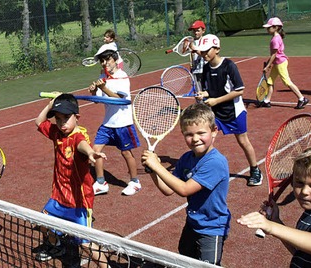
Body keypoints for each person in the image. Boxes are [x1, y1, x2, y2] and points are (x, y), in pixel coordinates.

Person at [141, 103, 230, 265]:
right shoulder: (186, 158)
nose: (195, 139)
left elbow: (184, 189)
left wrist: (157, 166)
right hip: (193, 223)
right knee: (185, 260)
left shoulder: (216, 162)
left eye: (201, 133)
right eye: (189, 134)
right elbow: (168, 189)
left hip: (212, 228)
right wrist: (153, 171)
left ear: (214, 131)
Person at [237, 144, 311, 267]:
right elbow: (301, 252)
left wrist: (271, 227)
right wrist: (276, 221)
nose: (304, 191)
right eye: (299, 183)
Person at [34, 93, 108, 267]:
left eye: (66, 118)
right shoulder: (57, 133)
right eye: (58, 118)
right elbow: (39, 122)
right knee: (42, 223)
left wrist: (90, 153)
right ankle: (57, 246)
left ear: (77, 117)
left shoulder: (78, 137)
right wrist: (50, 105)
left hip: (79, 203)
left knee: (86, 245)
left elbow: (82, 145)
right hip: (58, 198)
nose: (62, 123)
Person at [194, 34, 263, 187]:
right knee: (206, 139)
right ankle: (203, 169)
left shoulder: (229, 65)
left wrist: (215, 100)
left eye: (207, 51)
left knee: (243, 141)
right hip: (216, 113)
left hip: (234, 112)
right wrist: (204, 94)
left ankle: (255, 169)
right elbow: (210, 90)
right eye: (202, 51)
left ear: (217, 48)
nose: (204, 54)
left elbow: (239, 90)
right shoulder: (205, 68)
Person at [88, 48, 142, 196]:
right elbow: (98, 101)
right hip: (108, 123)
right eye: (102, 61)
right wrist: (94, 91)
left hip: (122, 123)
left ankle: (135, 182)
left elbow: (120, 100)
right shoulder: (103, 76)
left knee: (126, 153)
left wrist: (103, 87)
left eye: (107, 60)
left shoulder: (123, 77)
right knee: (96, 151)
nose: (104, 64)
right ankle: (100, 183)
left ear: (115, 59)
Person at [260, 17, 309, 109]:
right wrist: (269, 64)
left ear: (275, 27)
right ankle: (267, 101)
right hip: (277, 63)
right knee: (270, 81)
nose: (267, 29)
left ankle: (302, 98)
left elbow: (274, 54)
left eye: (269, 27)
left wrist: (267, 66)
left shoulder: (275, 39)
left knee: (287, 82)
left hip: (280, 63)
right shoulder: (276, 37)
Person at [188, 20, 207, 92]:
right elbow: (191, 56)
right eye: (194, 31)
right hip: (195, 70)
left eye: (198, 30)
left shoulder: (206, 40)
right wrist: (191, 66)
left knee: (207, 90)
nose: (195, 33)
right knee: (197, 92)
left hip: (205, 69)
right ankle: (199, 103)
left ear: (203, 30)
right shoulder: (192, 42)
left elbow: (205, 55)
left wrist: (195, 49)